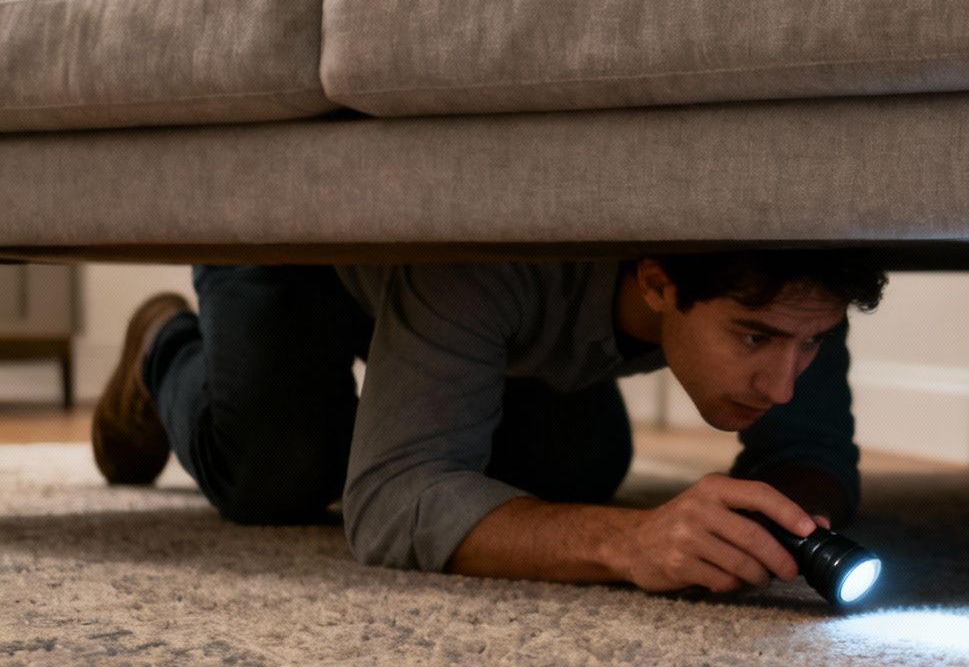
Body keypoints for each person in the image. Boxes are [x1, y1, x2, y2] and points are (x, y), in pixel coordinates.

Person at [90, 254, 886, 595]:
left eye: (810, 342)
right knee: (280, 470)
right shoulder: (488, 251)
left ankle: (416, 384)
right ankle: (163, 346)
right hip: (301, 265)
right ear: (656, 282)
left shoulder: (794, 289)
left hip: (487, 333)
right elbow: (390, 501)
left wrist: (783, 526)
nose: (784, 383)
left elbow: (808, 451)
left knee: (580, 465)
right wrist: (630, 542)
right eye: (753, 339)